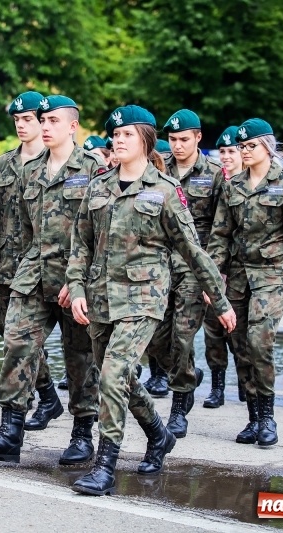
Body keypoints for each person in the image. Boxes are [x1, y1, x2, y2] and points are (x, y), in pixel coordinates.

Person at [67, 105, 236, 495]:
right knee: (121, 377)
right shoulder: (99, 186)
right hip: (101, 298)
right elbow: (80, 244)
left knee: (111, 374)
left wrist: (220, 300)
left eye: (126, 134)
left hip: (144, 299)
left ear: (144, 140)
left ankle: (105, 465)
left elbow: (194, 251)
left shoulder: (164, 191)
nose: (118, 140)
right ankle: (159, 435)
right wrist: (75, 288)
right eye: (115, 134)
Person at [0, 95, 103, 465]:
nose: (45, 126)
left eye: (53, 121)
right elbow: (22, 229)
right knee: (17, 344)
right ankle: (10, 433)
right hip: (32, 274)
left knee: (80, 358)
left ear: (72, 125)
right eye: (43, 120)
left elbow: (102, 235)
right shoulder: (29, 170)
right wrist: (0, 268)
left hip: (76, 283)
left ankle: (82, 435)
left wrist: (80, 282)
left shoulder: (94, 168)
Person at [207, 118, 283, 447]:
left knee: (259, 340)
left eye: (250, 146)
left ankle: (268, 417)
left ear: (266, 146)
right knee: (239, 344)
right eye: (242, 147)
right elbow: (220, 236)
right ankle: (253, 417)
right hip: (239, 274)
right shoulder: (232, 185)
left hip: (274, 274)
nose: (244, 151)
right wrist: (212, 279)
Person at [0, 91, 62, 431]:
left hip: (48, 268)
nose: (23, 126)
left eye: (29, 119)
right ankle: (48, 393)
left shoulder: (57, 162)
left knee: (27, 339)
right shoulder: (3, 164)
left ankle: (29, 404)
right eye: (18, 121)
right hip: (10, 268)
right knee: (7, 331)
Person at [144, 109, 223, 438]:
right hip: (162, 268)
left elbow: (222, 229)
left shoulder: (215, 175)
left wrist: (212, 277)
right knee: (156, 338)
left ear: (198, 138)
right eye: (173, 140)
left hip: (193, 269)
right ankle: (187, 376)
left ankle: (179, 408)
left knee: (183, 338)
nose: (176, 146)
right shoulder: (159, 171)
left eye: (183, 139)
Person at [203, 125, 245, 408]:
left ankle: (245, 379)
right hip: (213, 263)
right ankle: (217, 385)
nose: (227, 156)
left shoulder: (250, 183)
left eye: (232, 151)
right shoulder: (216, 179)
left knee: (240, 330)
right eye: (223, 151)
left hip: (242, 268)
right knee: (212, 329)